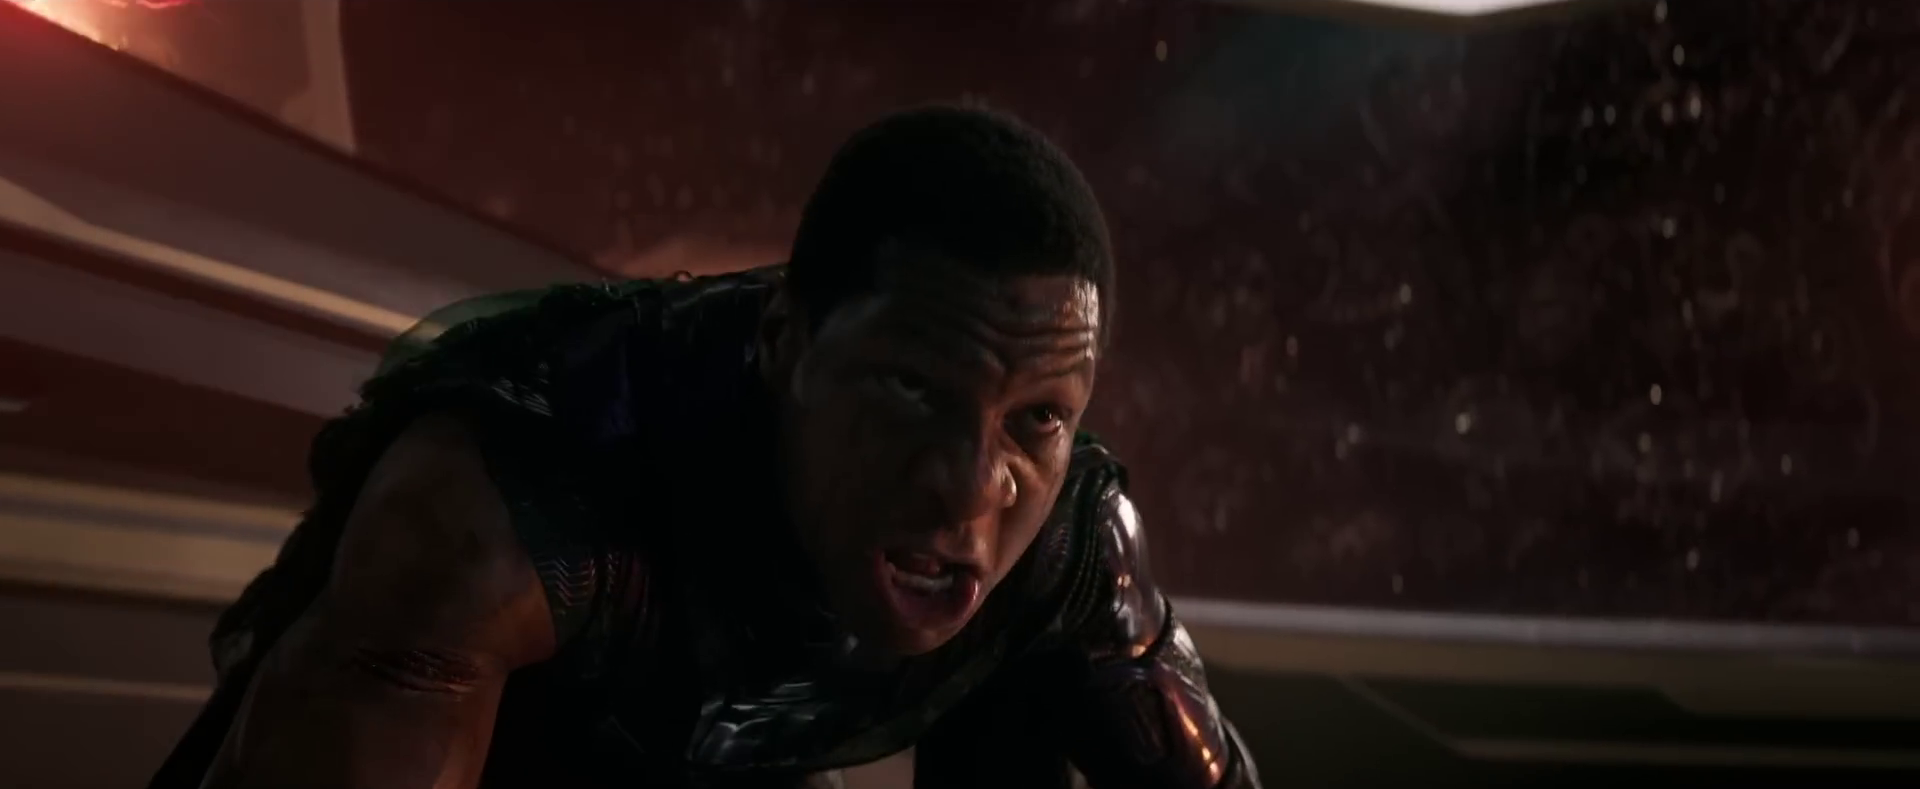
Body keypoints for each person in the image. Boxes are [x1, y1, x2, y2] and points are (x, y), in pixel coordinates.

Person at [150, 105, 1260, 789]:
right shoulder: (512, 509)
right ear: (785, 344)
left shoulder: (1073, 551)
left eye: (1037, 420)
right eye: (913, 392)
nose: (969, 486)